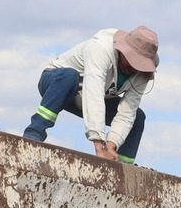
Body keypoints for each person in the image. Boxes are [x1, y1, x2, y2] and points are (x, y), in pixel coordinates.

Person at [21, 26, 158, 164]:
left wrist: (110, 146)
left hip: (87, 99)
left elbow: (127, 112)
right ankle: (33, 135)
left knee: (137, 117)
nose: (132, 67)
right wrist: (99, 146)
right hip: (58, 85)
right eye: (131, 60)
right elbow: (94, 94)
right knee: (69, 76)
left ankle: (123, 166)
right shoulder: (100, 49)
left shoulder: (143, 74)